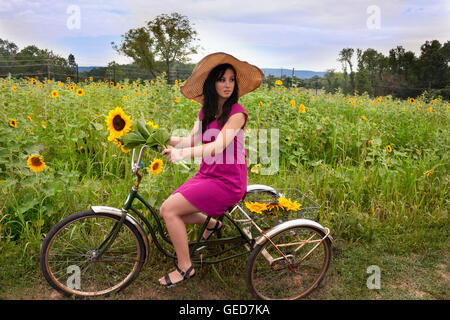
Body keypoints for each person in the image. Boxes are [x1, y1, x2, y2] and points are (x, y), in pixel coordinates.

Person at [158, 52, 264, 287]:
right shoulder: (205, 110)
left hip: (228, 182)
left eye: (231, 80)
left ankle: (185, 267)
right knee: (169, 209)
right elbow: (191, 140)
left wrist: (182, 155)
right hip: (207, 174)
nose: (227, 85)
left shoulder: (237, 113)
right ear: (211, 83)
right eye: (222, 79)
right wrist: (162, 140)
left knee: (170, 211)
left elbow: (217, 146)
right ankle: (214, 224)